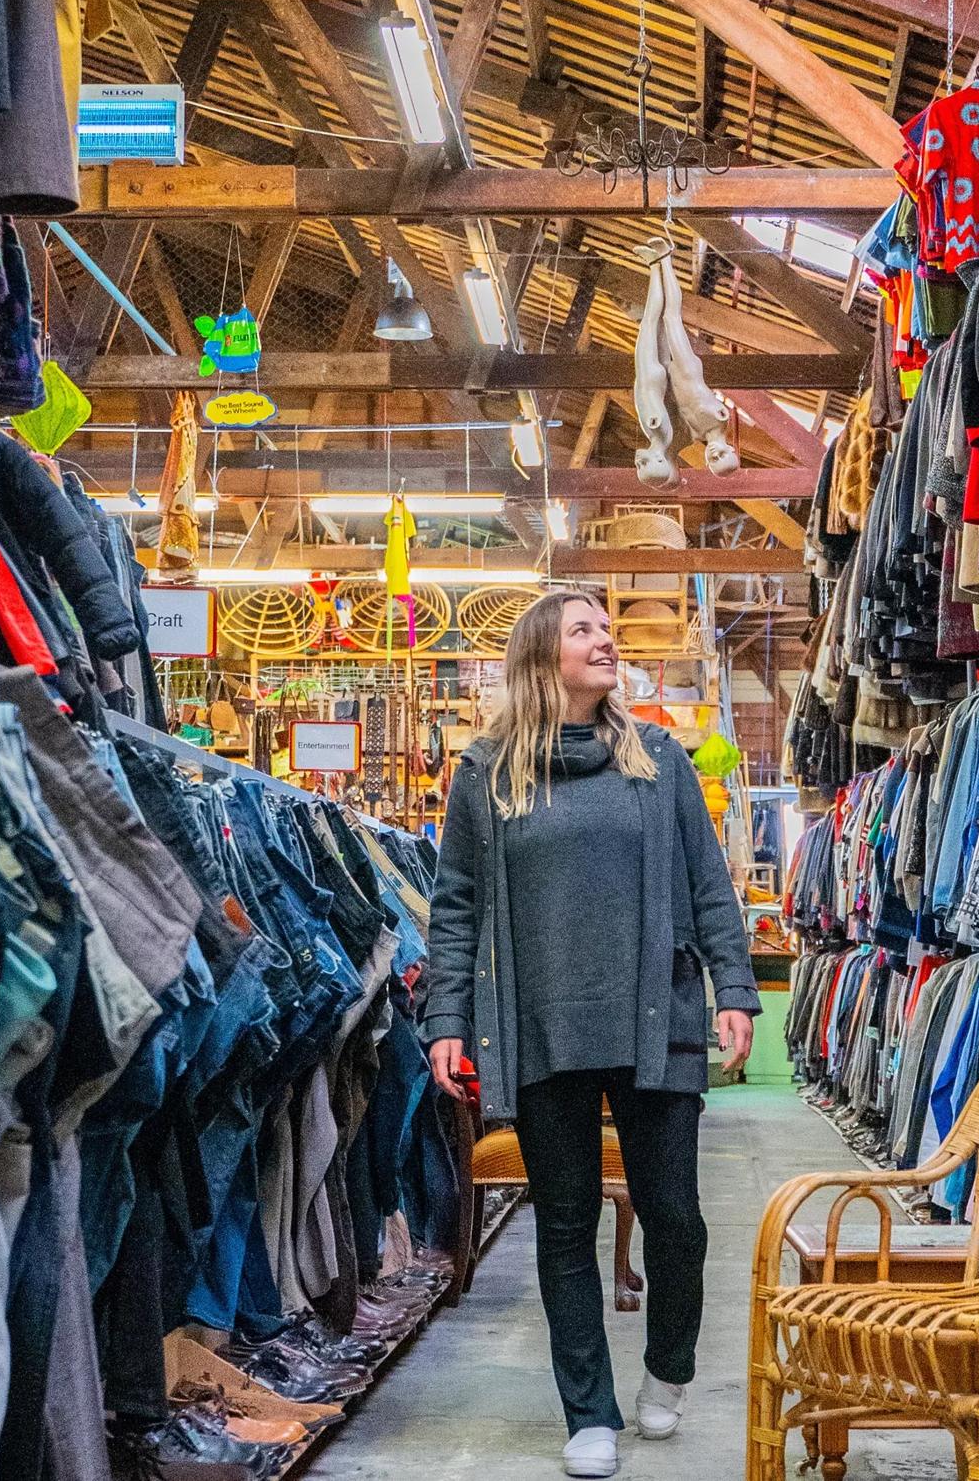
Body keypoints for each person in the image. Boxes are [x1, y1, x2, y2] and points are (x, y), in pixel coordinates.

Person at [421, 590, 760, 1478]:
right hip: (539, 1030)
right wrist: (446, 1020)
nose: (606, 640)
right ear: (543, 658)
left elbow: (707, 882)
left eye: (606, 629)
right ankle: (589, 1412)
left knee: (676, 1222)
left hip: (658, 1021)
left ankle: (669, 1370)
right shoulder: (488, 772)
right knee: (565, 1223)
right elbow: (454, 909)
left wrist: (735, 987)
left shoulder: (657, 760)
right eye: (585, 631)